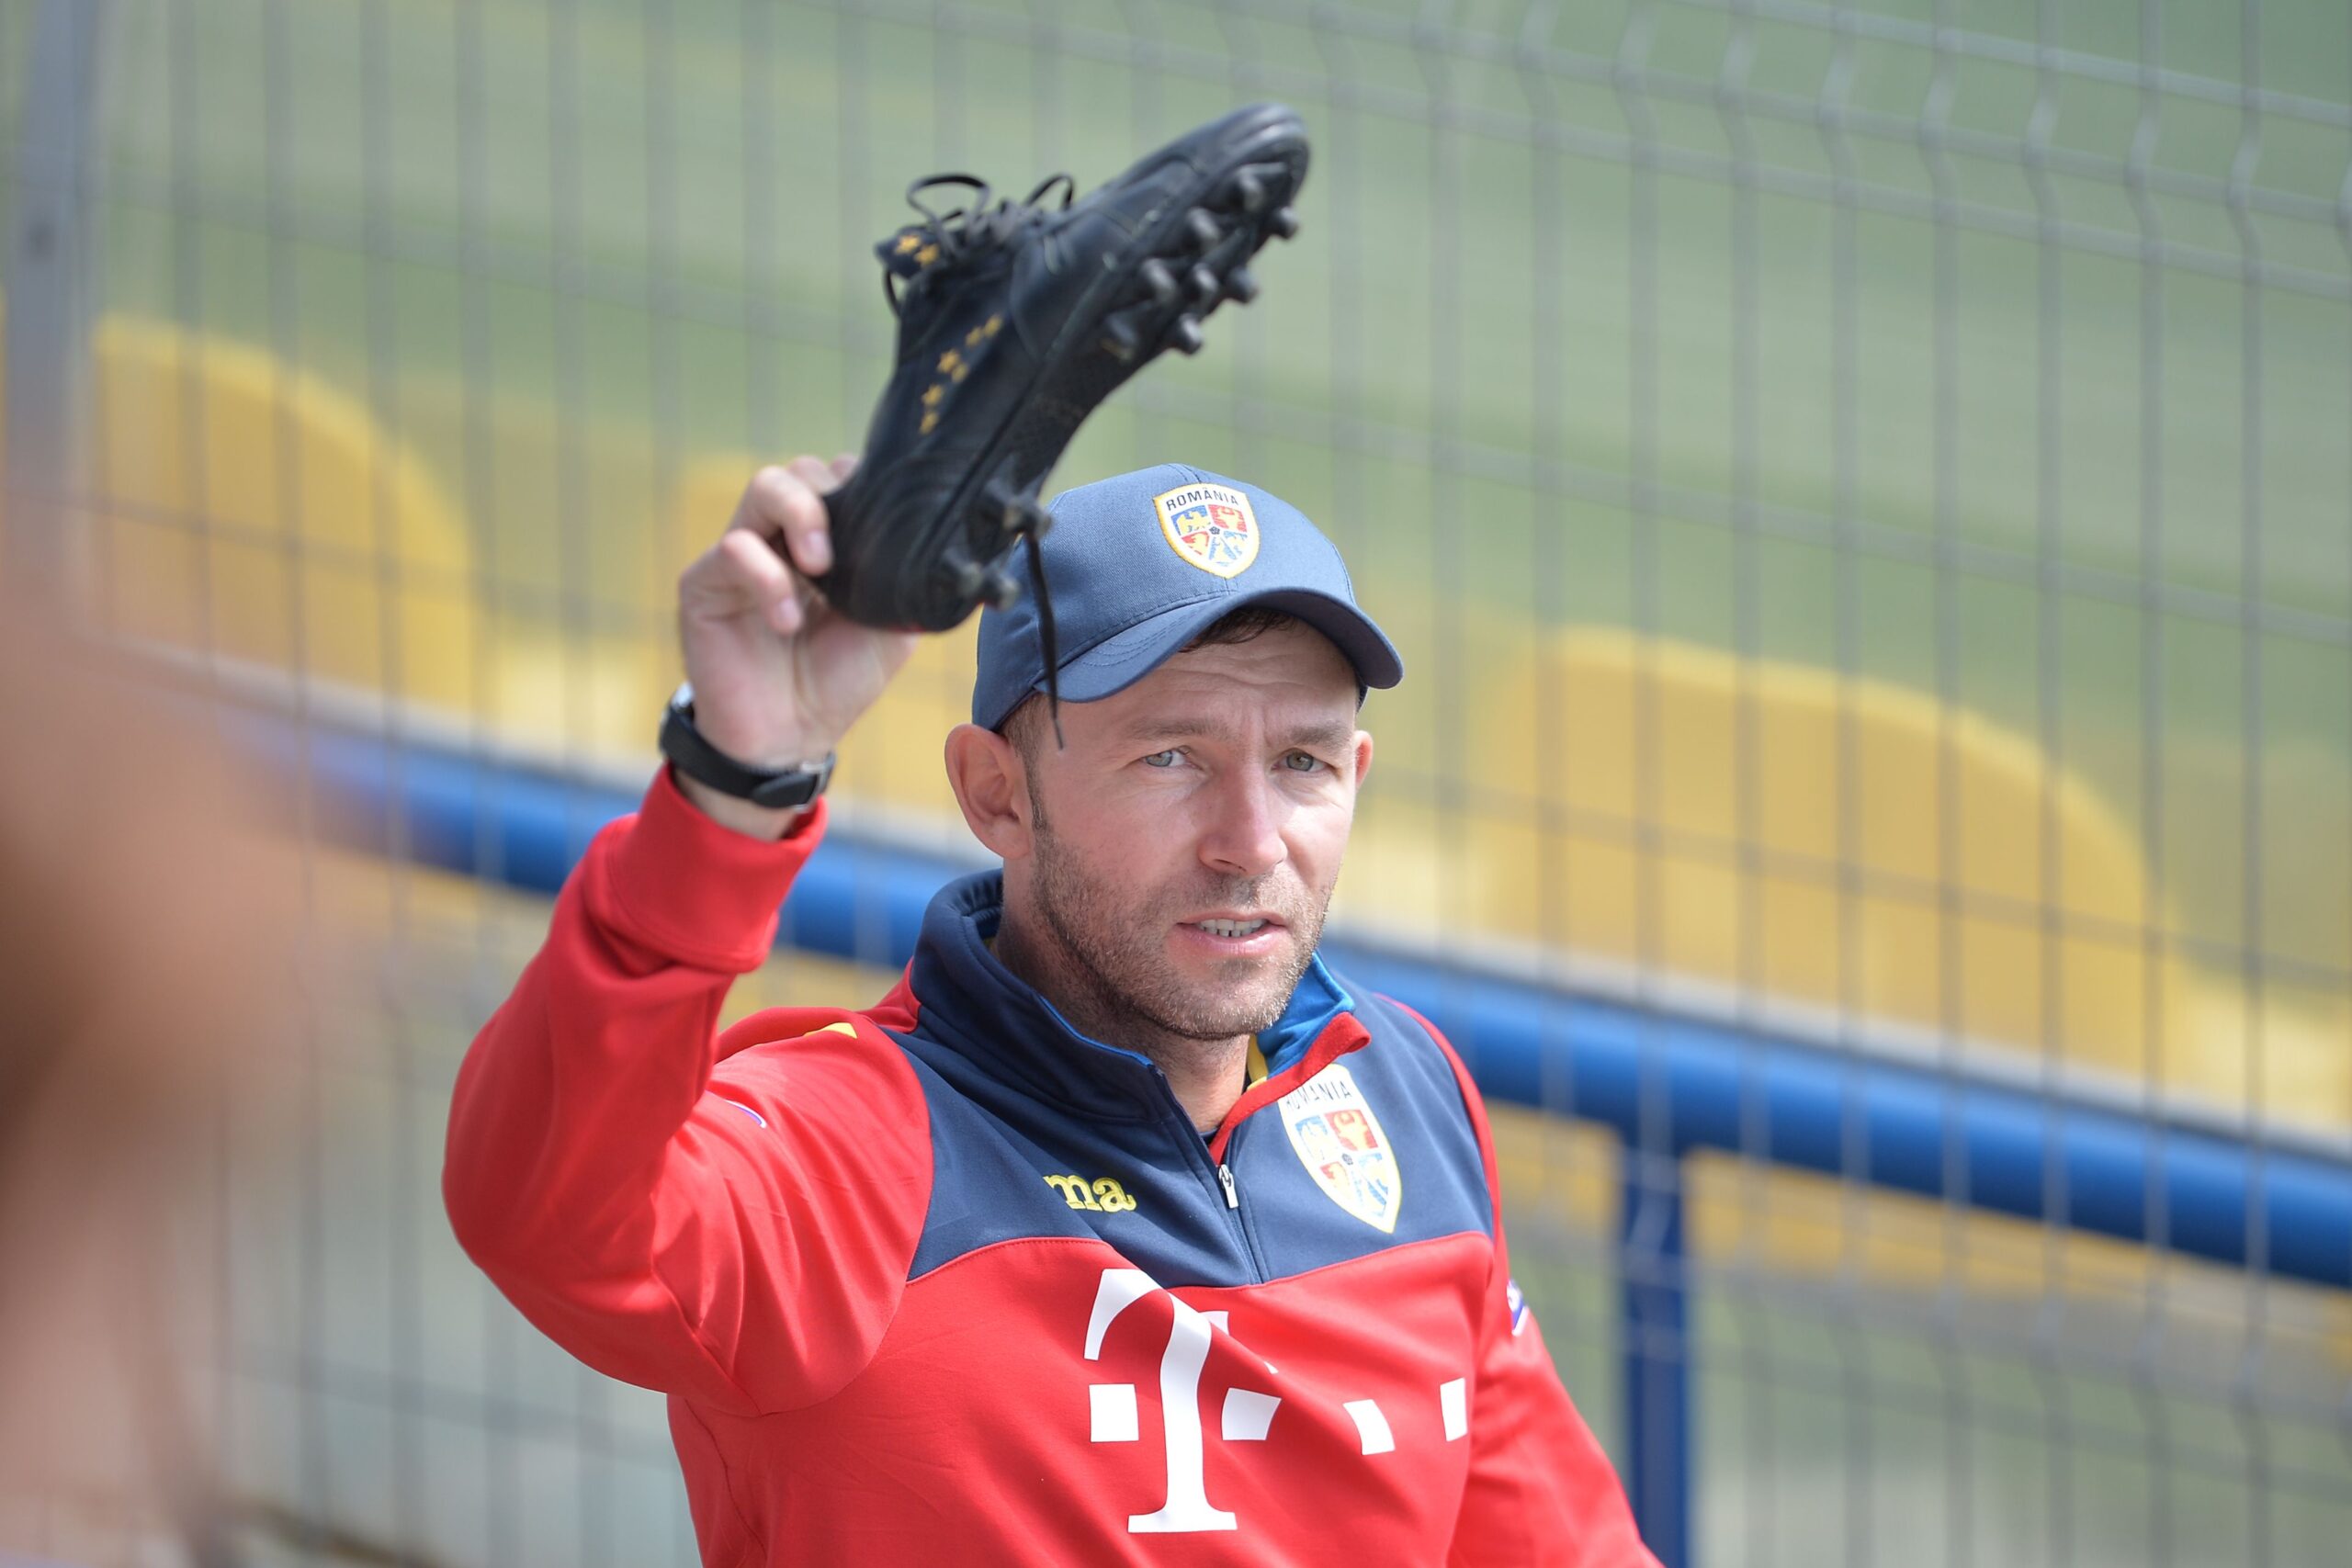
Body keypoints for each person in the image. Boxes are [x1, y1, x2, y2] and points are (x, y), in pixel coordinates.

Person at [444, 457, 1658, 1565]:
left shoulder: (1400, 1091)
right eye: (1170, 758)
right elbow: (550, 1217)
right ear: (996, 794)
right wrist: (732, 786)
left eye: (1301, 762)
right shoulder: (854, 1143)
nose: (1250, 845)